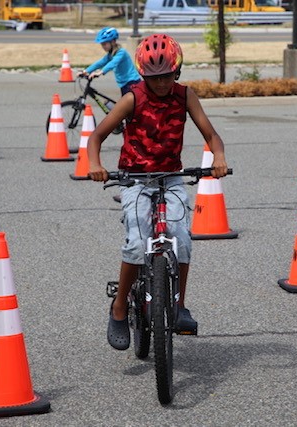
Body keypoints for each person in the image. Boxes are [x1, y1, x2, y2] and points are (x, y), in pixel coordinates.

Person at [87, 34, 229, 351]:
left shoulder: (185, 96)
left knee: (182, 239)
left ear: (176, 72)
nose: (162, 83)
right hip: (135, 179)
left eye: (167, 76)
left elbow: (212, 134)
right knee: (137, 244)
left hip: (171, 177)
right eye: (154, 78)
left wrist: (218, 157)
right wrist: (96, 164)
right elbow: (96, 136)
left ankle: (178, 306)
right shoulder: (132, 99)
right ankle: (120, 307)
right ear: (143, 76)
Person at [79, 27, 141, 96]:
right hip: (123, 84)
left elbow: (113, 63)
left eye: (105, 44)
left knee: (128, 105)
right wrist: (86, 71)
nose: (103, 46)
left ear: (113, 42)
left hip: (132, 83)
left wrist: (100, 72)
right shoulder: (111, 54)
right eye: (102, 44)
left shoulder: (121, 52)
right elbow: (100, 63)